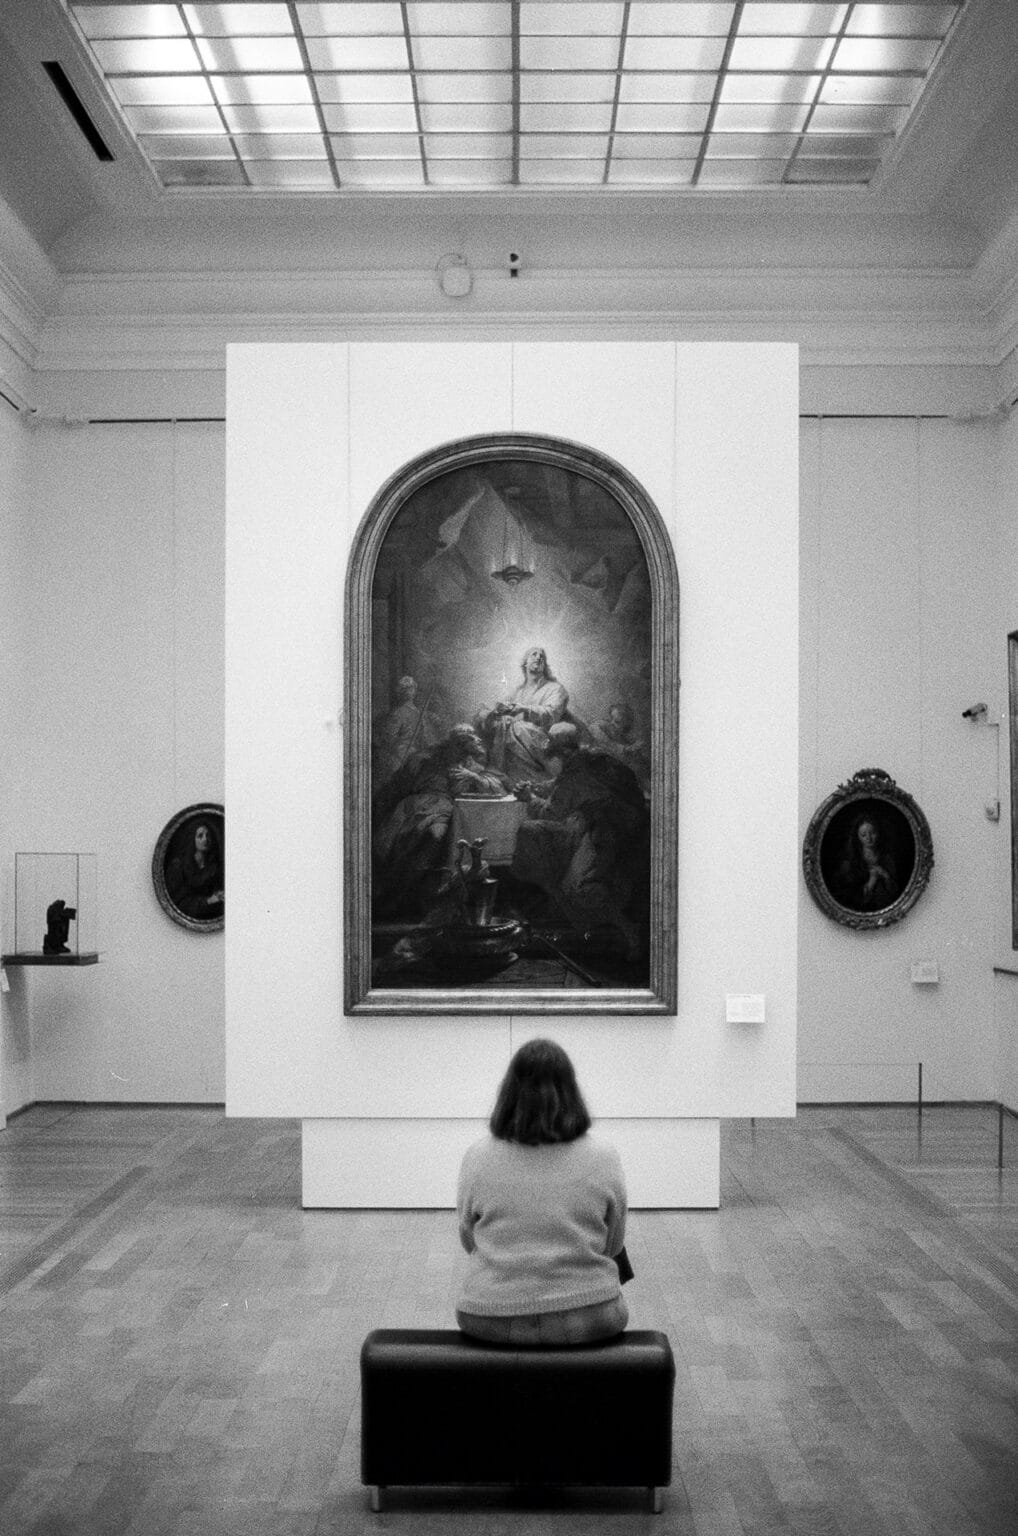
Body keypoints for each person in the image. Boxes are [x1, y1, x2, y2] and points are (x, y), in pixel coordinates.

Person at [456, 1038, 628, 1347]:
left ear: (508, 1093)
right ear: (571, 1092)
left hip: (489, 1315)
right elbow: (613, 1243)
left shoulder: (478, 1155)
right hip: (590, 1315)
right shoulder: (604, 1155)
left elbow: (469, 1239)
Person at [512, 722, 649, 962]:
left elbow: (553, 812)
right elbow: (562, 788)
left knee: (580, 887)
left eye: (550, 741)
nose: (545, 744)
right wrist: (537, 788)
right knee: (542, 842)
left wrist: (529, 798)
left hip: (609, 834)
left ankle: (630, 933)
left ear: (562, 749)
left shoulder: (578, 772)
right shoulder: (588, 759)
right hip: (606, 827)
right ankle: (582, 925)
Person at [372, 723, 510, 918]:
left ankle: (426, 895)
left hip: (443, 807)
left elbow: (500, 784)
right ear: (454, 743)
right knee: (399, 839)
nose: (473, 745)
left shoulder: (471, 763)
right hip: (414, 804)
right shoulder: (423, 759)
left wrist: (474, 777)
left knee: (435, 835)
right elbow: (397, 786)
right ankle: (398, 893)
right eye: (464, 742)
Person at [482, 646, 569, 785]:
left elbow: (552, 714)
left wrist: (523, 709)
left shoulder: (555, 688)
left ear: (545, 665)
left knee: (518, 728)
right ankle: (502, 776)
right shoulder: (517, 692)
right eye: (534, 654)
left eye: (542, 656)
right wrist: (495, 713)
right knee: (504, 725)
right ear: (525, 663)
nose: (539, 657)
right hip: (514, 737)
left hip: (542, 738)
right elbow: (502, 710)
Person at [835, 811, 900, 911]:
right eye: (863, 835)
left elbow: (897, 893)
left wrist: (885, 875)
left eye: (872, 833)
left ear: (878, 833)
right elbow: (849, 897)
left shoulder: (887, 858)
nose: (869, 838)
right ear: (857, 837)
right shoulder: (850, 863)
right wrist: (871, 881)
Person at [166, 820, 224, 920]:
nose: (205, 839)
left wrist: (219, 895)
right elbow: (176, 903)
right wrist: (207, 901)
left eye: (208, 835)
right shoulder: (178, 866)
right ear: (193, 839)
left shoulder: (215, 866)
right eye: (200, 836)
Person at [589, 700, 650, 790]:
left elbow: (638, 770)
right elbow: (605, 743)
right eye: (611, 719)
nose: (612, 723)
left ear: (626, 727)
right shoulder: (601, 726)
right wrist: (627, 749)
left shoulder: (626, 741)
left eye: (617, 722)